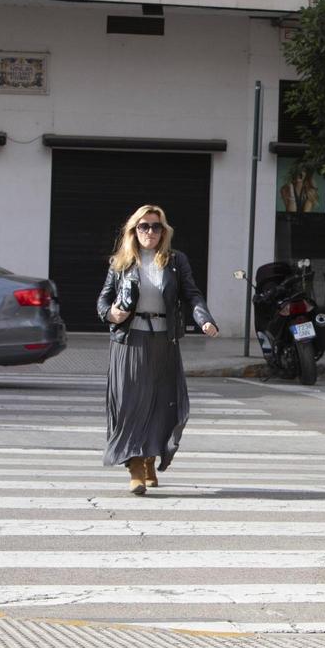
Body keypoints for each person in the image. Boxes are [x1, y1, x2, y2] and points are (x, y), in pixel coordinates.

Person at [96, 204, 219, 494]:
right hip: (129, 342)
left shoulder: (176, 261)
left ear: (164, 231)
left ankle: (151, 457)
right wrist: (111, 314)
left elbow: (192, 294)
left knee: (162, 403)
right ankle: (135, 466)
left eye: (156, 226)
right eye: (144, 226)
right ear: (133, 231)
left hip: (164, 340)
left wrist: (204, 319)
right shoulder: (121, 262)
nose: (150, 232)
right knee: (130, 404)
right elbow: (103, 300)